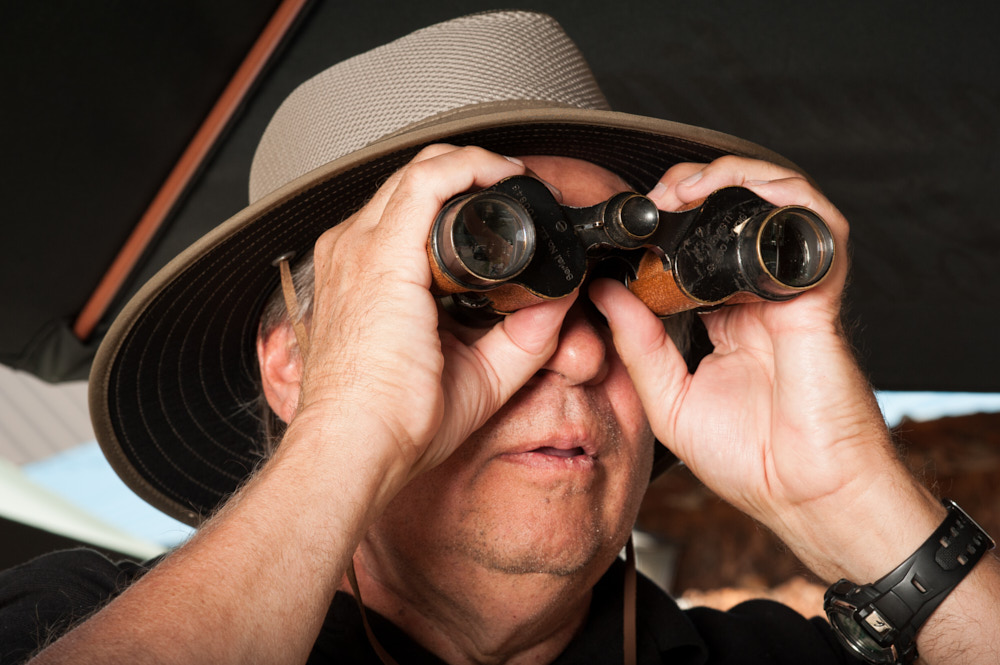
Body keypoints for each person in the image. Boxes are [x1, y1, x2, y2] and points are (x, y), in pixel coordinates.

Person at [2, 11, 997, 665]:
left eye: (616, 290)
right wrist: (347, 432)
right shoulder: (79, 620)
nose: (573, 351)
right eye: (470, 292)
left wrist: (850, 496)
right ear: (298, 364)